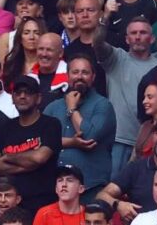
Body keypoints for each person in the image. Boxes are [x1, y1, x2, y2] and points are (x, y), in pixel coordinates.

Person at [93, 18, 157, 181]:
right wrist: (106, 18)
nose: (138, 37)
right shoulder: (116, 58)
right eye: (133, 33)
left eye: (143, 33)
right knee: (114, 188)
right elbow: (96, 42)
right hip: (119, 139)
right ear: (126, 39)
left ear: (152, 39)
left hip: (148, 141)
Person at [0, 76, 60, 210]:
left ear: (39, 98)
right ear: (12, 98)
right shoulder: (4, 127)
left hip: (44, 203)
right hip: (11, 205)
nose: (22, 96)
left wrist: (8, 157)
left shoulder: (50, 124)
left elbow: (39, 157)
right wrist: (27, 166)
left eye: (28, 92)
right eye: (18, 92)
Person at [44, 55, 115, 200]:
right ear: (67, 76)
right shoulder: (53, 107)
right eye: (75, 72)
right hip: (56, 187)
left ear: (93, 77)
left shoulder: (103, 105)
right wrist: (72, 142)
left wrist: (72, 109)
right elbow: (41, 141)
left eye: (85, 72)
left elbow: (88, 136)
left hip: (91, 188)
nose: (79, 77)